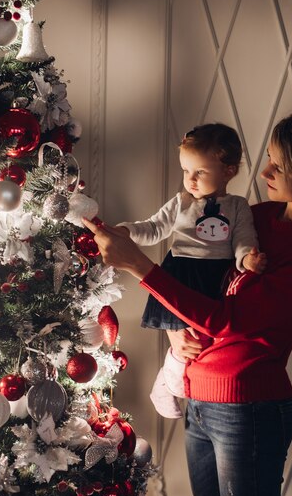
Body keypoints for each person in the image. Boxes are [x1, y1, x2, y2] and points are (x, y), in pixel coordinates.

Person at [83, 106, 292, 496]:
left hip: (248, 410)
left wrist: (137, 266)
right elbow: (198, 284)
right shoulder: (257, 217)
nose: (264, 170)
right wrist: (175, 331)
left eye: (280, 164)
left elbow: (230, 320)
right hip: (200, 397)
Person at [113, 123, 266, 419]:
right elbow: (154, 228)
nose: (190, 180)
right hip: (180, 273)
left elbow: (244, 237)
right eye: (186, 171)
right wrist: (127, 232)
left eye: (200, 172)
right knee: (187, 338)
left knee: (205, 339)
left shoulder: (237, 206)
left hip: (216, 276)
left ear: (229, 171)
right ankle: (170, 384)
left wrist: (247, 258)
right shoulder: (181, 202)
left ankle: (169, 381)